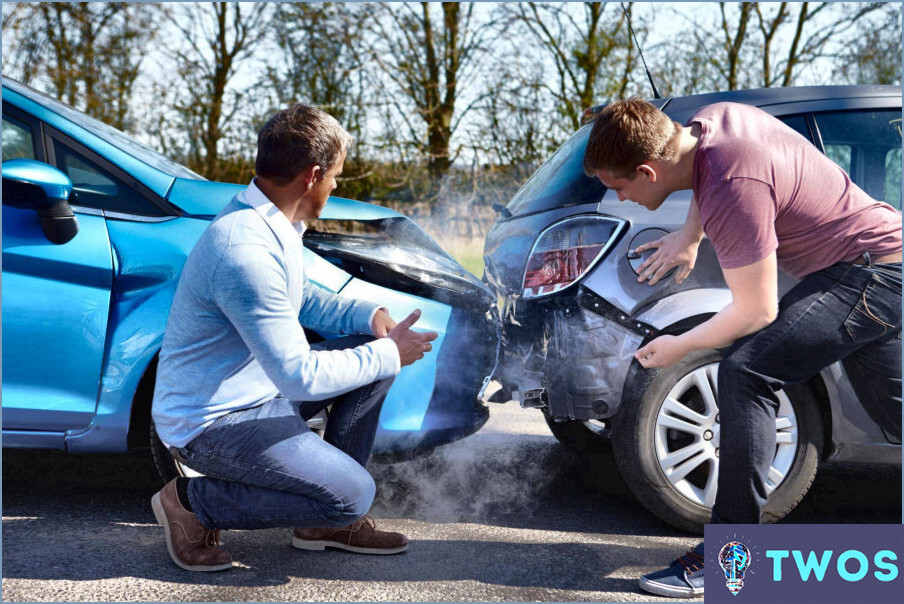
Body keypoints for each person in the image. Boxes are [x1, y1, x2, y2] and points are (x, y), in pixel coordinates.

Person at [583, 97, 902, 598]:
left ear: (647, 171)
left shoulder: (733, 185)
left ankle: (732, 559)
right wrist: (690, 235)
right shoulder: (713, 121)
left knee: (746, 372)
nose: (620, 198)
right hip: (877, 264)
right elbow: (705, 174)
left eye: (618, 188)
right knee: (897, 416)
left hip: (870, 275)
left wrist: (678, 347)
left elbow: (756, 312)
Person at [150, 103, 437, 572]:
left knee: (369, 362)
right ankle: (191, 502)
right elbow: (300, 377)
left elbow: (301, 297)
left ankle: (321, 522)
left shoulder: (269, 220)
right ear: (313, 175)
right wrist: (388, 353)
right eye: (337, 176)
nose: (336, 186)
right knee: (353, 494)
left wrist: (371, 317)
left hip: (259, 394)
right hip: (212, 424)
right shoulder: (244, 250)